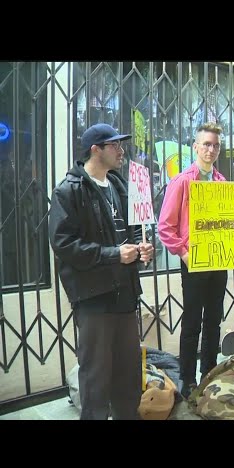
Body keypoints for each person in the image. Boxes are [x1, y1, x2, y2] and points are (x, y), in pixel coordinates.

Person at [48, 123, 154, 420]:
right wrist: (113, 254)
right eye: (114, 145)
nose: (121, 151)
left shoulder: (120, 186)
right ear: (96, 150)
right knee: (96, 375)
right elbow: (64, 244)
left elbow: (135, 231)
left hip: (125, 294)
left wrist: (144, 248)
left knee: (128, 373)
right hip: (94, 297)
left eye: (121, 145)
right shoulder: (69, 191)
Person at [157, 122, 229, 399]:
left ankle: (208, 374)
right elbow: (165, 226)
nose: (211, 149)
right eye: (206, 144)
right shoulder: (182, 181)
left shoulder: (222, 182)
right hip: (193, 262)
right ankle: (187, 379)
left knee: (213, 321)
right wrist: (185, 254)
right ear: (196, 147)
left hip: (218, 261)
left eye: (216, 145)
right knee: (192, 322)